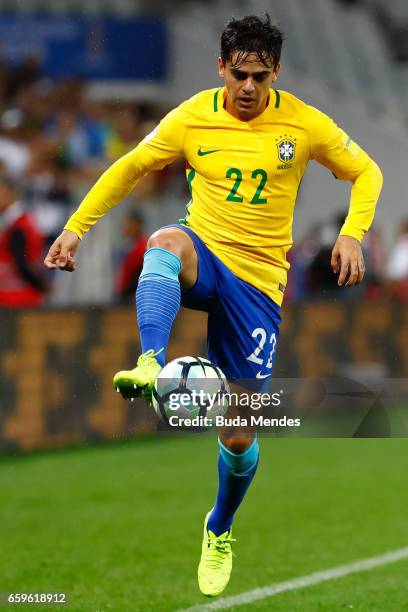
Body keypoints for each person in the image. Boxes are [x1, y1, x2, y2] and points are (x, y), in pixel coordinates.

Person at [44, 14, 383, 597]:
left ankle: (219, 526)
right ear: (221, 66)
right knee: (164, 244)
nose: (248, 87)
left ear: (275, 71)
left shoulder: (304, 122)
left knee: (238, 432)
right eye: (239, 74)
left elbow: (366, 170)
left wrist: (353, 231)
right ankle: (151, 360)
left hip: (258, 284)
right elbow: (130, 168)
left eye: (260, 75)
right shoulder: (191, 116)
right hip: (205, 251)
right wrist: (76, 229)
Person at [0, 175, 48, 307]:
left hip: (17, 299)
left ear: (9, 192)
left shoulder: (17, 225)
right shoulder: (23, 220)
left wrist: (41, 287)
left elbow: (21, 264)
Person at [114, 209, 148, 301]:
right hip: (124, 296)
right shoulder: (126, 246)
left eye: (129, 223)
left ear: (137, 225)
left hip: (136, 298)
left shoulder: (145, 246)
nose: (125, 227)